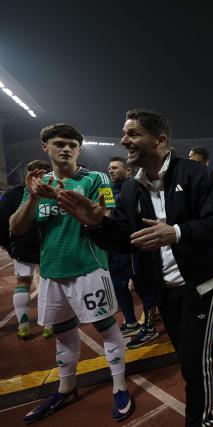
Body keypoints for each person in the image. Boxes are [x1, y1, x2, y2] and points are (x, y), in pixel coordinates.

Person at [57, 110, 213, 426]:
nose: (124, 140)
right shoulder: (129, 188)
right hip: (163, 287)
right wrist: (96, 225)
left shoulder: (197, 174)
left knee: (197, 360)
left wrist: (176, 232)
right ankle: (212, 398)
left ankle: (206, 418)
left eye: (133, 133)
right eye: (125, 134)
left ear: (161, 140)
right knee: (188, 357)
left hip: (201, 283)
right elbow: (127, 239)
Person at [11, 124, 134, 422]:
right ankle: (66, 389)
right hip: (52, 272)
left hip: (88, 268)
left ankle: (119, 386)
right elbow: (16, 229)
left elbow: (107, 217)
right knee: (63, 334)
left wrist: (77, 206)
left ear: (79, 149)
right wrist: (34, 198)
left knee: (106, 328)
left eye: (71, 145)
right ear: (46, 148)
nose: (65, 149)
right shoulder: (38, 184)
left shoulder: (95, 178)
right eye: (59, 144)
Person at [107, 156, 160, 347]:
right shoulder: (107, 190)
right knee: (118, 285)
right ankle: (130, 322)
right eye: (109, 168)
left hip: (136, 247)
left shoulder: (137, 188)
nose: (110, 170)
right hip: (117, 250)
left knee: (144, 287)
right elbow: (107, 216)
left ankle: (150, 327)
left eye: (115, 167)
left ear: (128, 171)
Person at [0, 160, 53, 339]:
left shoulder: (13, 193)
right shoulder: (54, 191)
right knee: (48, 283)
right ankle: (49, 325)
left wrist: (8, 244)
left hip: (22, 246)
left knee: (23, 282)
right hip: (48, 245)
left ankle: (23, 325)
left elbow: (2, 221)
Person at [188, 146, 213, 320]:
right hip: (205, 233)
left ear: (197, 159)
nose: (187, 159)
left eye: (190, 157)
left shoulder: (207, 176)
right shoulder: (202, 176)